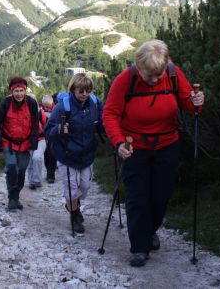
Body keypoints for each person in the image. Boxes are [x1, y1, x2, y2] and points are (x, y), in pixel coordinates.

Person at [103, 39, 204, 267]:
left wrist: (196, 101)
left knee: (161, 194)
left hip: (167, 145)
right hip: (133, 147)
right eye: (151, 76)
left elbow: (189, 103)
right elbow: (110, 114)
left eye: (159, 75)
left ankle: (150, 230)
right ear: (139, 67)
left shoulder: (173, 74)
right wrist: (118, 142)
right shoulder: (124, 80)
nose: (157, 80)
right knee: (137, 196)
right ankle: (140, 247)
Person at [45, 73, 104, 234]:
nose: (84, 94)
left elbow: (103, 121)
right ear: (73, 90)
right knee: (71, 188)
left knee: (84, 187)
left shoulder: (94, 103)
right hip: (67, 154)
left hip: (87, 154)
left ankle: (73, 205)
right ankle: (74, 215)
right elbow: (48, 130)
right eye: (81, 91)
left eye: (87, 90)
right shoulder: (62, 106)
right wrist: (58, 129)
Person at [0, 76, 40, 210]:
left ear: (25, 91)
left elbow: (35, 125)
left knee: (21, 172)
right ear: (11, 91)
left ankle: (16, 196)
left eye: (21, 91)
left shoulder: (31, 103)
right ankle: (12, 200)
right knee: (12, 167)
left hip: (25, 143)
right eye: (16, 91)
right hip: (8, 142)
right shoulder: (6, 103)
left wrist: (34, 143)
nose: (19, 94)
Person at [26, 94, 48, 189]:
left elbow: (47, 126)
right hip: (28, 141)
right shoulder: (23, 114)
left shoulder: (41, 113)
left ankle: (37, 180)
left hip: (41, 139)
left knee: (37, 157)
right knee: (30, 161)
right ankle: (31, 182)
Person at [40, 95, 57, 183]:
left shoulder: (56, 109)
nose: (46, 108)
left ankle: (51, 175)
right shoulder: (40, 110)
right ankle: (48, 172)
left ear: (52, 103)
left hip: (53, 136)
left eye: (48, 106)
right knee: (46, 155)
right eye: (45, 106)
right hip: (43, 136)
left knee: (52, 154)